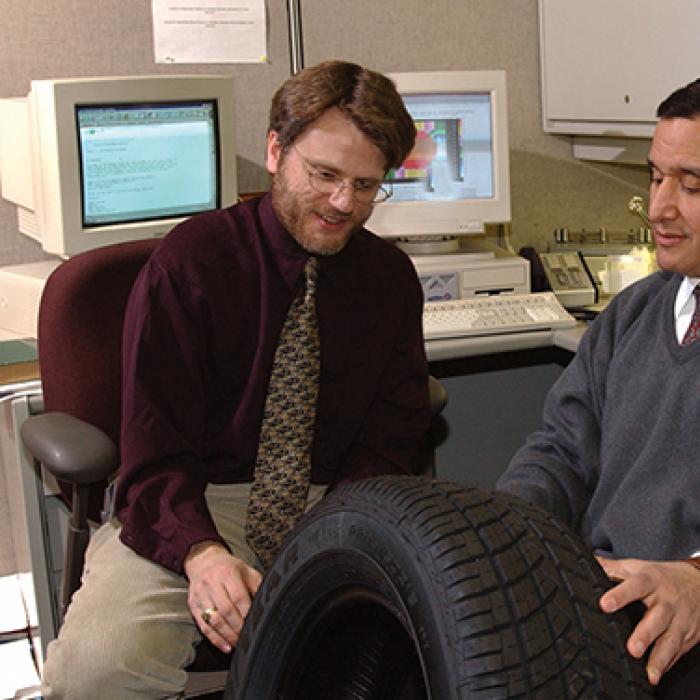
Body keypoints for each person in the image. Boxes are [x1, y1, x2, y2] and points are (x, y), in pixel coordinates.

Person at [41, 60, 430, 699]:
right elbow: (154, 453)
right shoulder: (191, 265)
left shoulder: (388, 281)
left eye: (366, 186)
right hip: (195, 500)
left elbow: (392, 439)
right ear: (276, 152)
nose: (343, 204)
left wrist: (335, 530)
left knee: (442, 641)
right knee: (97, 669)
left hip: (333, 501)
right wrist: (201, 553)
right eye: (325, 175)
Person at [496, 77, 700, 696]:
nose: (658, 207)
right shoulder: (635, 312)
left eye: (691, 186)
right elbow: (561, 451)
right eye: (654, 177)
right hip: (604, 610)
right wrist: (503, 531)